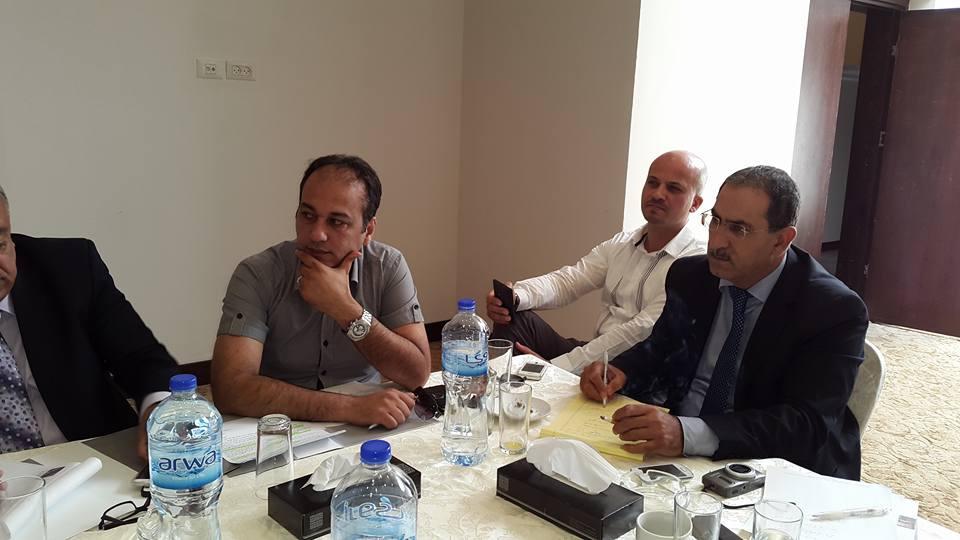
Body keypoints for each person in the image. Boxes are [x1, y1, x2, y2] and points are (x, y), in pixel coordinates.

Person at [580, 165, 867, 479]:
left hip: (769, 466)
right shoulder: (691, 275)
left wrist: (687, 433)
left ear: (781, 240)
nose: (717, 242)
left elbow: (805, 424)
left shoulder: (832, 309)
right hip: (677, 446)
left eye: (738, 229)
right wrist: (621, 371)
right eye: (715, 221)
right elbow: (662, 348)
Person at [211, 154, 431, 429]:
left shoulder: (387, 266)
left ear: (368, 230)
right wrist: (349, 408)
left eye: (336, 222)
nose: (316, 234)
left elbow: (416, 374)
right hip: (279, 425)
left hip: (366, 424)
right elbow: (230, 388)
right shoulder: (258, 274)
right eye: (308, 215)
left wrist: (347, 311)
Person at [487, 150, 708, 374]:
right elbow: (568, 281)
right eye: (653, 183)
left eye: (673, 188)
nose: (658, 194)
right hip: (594, 352)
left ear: (695, 203)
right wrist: (517, 296)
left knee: (545, 369)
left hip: (632, 372)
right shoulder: (623, 243)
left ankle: (534, 387)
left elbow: (639, 331)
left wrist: (557, 369)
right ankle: (498, 392)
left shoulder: (694, 263)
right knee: (513, 318)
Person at [0, 186, 178, 458]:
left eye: (0, 244)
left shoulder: (69, 267)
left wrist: (158, 411)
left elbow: (141, 357)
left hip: (97, 458)